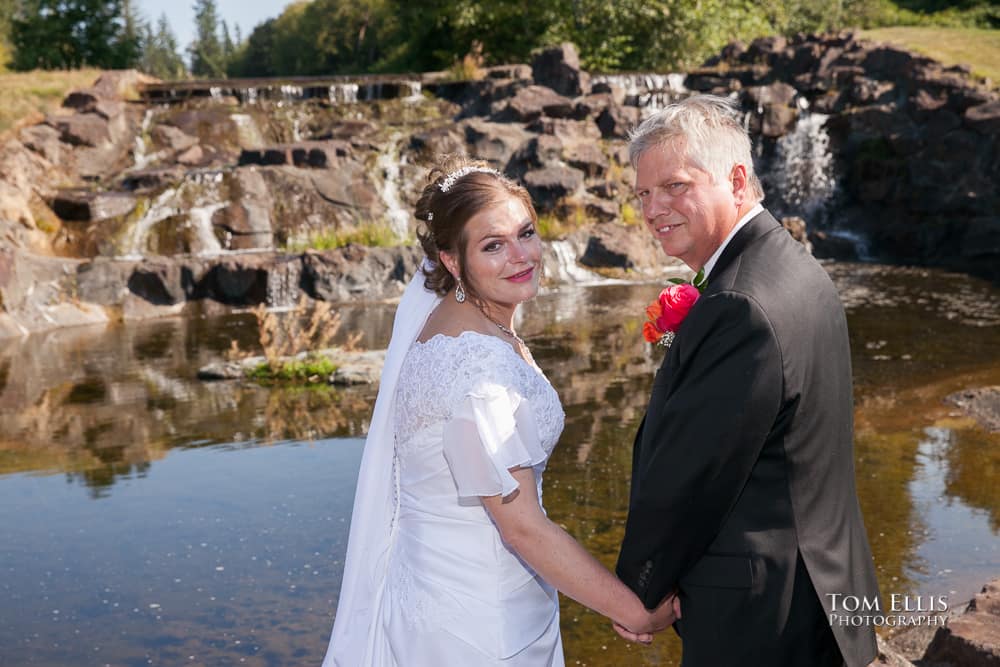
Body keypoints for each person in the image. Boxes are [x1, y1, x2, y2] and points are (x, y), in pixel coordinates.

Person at [324, 156, 675, 666]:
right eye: (493, 245)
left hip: (434, 593)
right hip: (479, 626)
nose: (521, 255)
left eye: (526, 233)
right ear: (451, 261)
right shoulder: (477, 370)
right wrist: (633, 610)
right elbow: (522, 527)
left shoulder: (455, 326)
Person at [615, 95, 881, 666]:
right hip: (822, 587)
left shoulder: (739, 303)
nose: (654, 207)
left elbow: (694, 474)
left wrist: (638, 589)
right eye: (644, 192)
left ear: (737, 180)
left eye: (675, 186)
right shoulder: (794, 265)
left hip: (765, 619)